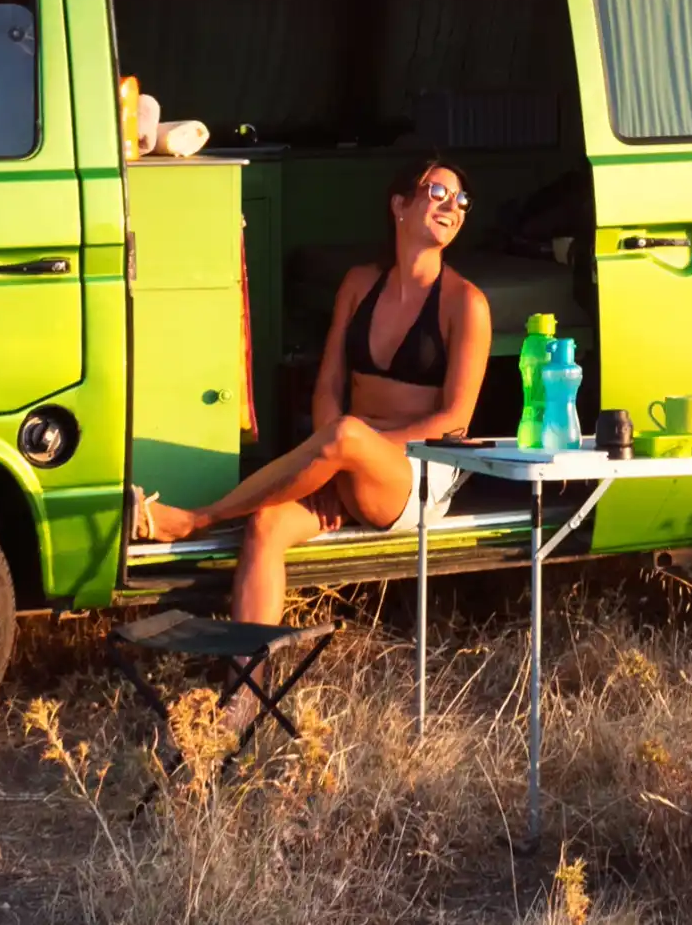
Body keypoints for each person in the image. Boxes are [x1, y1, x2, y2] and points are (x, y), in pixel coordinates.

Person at [129, 156, 490, 624]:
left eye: (461, 199)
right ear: (399, 204)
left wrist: (348, 451)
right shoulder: (360, 284)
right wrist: (332, 465)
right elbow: (329, 386)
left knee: (345, 434)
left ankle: (198, 519)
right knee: (266, 525)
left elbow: (454, 420)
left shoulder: (465, 303)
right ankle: (248, 685)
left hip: (415, 473)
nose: (452, 206)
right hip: (343, 457)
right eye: (436, 192)